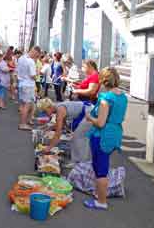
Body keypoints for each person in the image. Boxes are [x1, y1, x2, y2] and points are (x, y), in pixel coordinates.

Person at [83, 67, 128, 210]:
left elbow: (101, 123)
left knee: (100, 168)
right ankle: (99, 193)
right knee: (104, 164)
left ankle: (101, 202)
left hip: (102, 136)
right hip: (115, 133)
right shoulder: (122, 97)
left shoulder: (105, 99)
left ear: (103, 81)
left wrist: (90, 117)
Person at [37, 98, 93, 167]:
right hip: (89, 110)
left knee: (78, 138)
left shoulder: (60, 110)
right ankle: (82, 161)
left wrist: (49, 147)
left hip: (89, 113)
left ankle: (79, 163)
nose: (45, 114)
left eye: (45, 112)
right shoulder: (59, 106)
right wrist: (50, 127)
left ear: (49, 107)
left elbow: (58, 134)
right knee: (81, 137)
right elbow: (61, 124)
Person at [17, 46, 42, 131]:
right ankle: (23, 123)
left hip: (21, 83)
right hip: (28, 84)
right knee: (27, 105)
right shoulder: (30, 61)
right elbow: (33, 76)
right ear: (35, 52)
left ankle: (26, 121)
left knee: (25, 104)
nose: (37, 57)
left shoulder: (21, 58)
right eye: (37, 55)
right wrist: (38, 74)